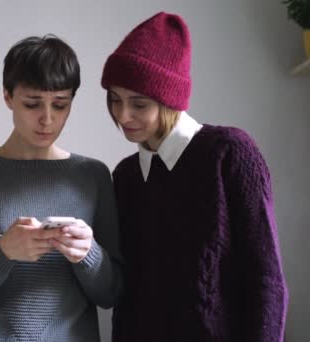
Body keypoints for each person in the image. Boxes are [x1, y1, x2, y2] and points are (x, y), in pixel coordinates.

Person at [100, 11, 289, 341]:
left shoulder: (229, 152)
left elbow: (265, 279)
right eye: (115, 100)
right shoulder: (126, 176)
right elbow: (130, 294)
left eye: (138, 104)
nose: (123, 115)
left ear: (169, 100)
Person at [0, 34, 123, 341]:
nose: (47, 119)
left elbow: (111, 294)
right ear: (7, 96)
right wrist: (3, 252)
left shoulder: (93, 176)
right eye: (32, 103)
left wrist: (89, 255)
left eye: (60, 105)